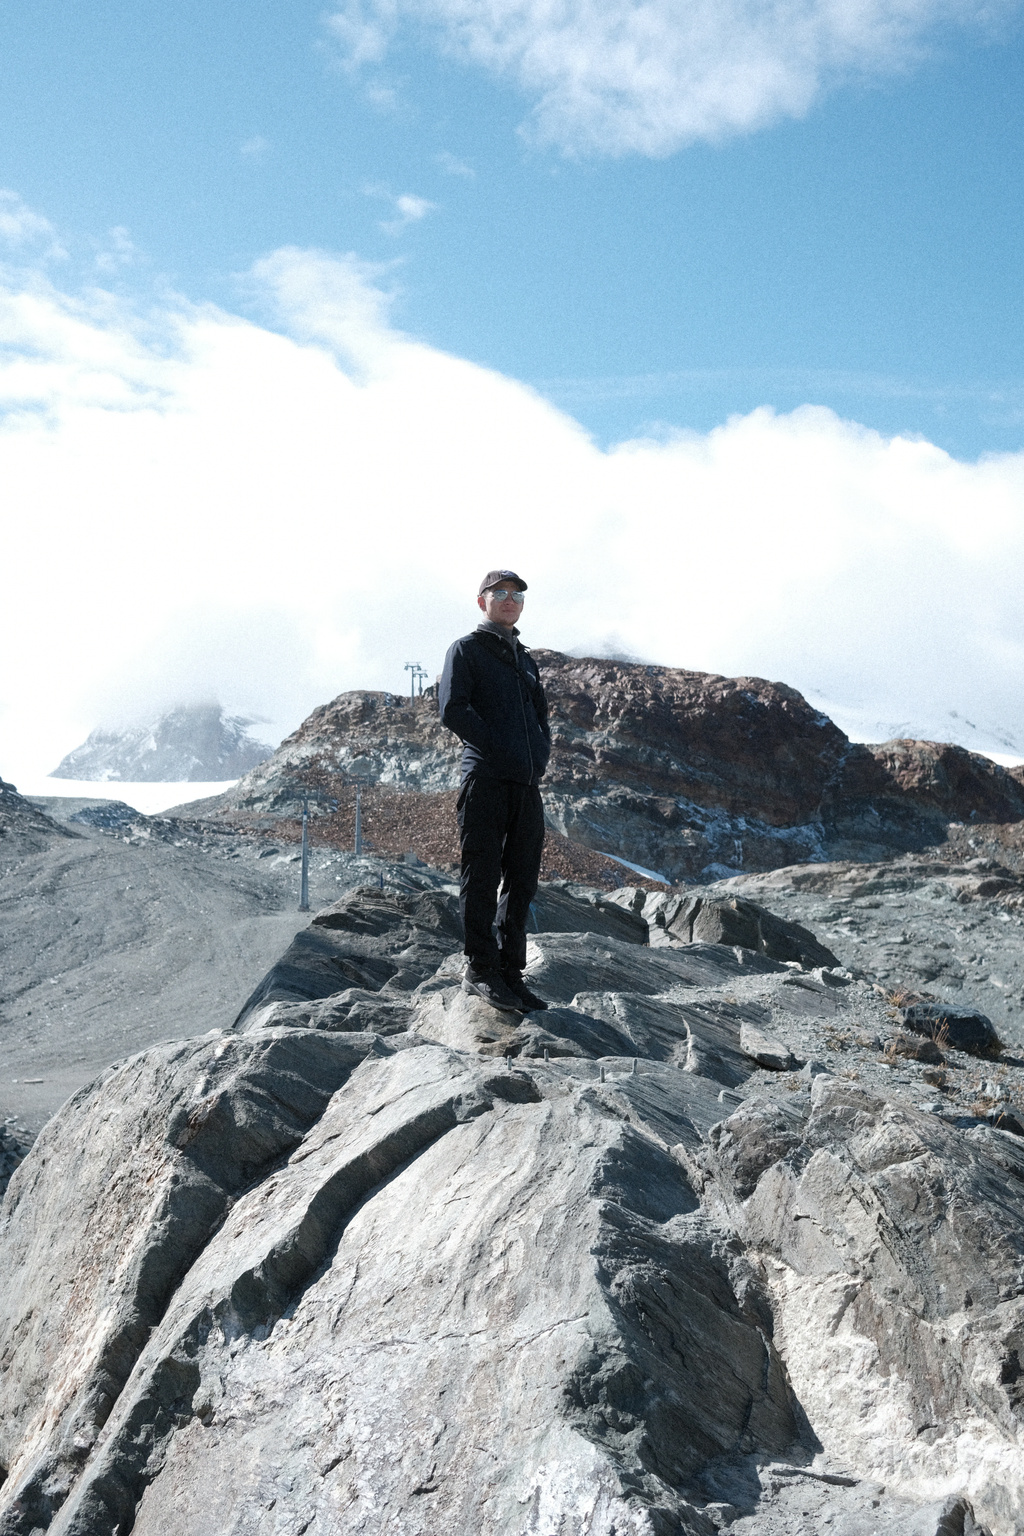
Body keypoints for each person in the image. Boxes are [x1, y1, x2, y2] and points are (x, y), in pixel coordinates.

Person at [439, 570, 551, 1013]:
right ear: (481, 601)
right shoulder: (466, 649)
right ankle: (480, 969)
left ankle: (510, 971)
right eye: (500, 593)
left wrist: (538, 754)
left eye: (517, 594)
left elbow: (541, 719)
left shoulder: (525, 659)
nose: (510, 600)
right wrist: (499, 747)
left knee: (522, 880)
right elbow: (452, 709)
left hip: (526, 785)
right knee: (482, 876)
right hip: (485, 778)